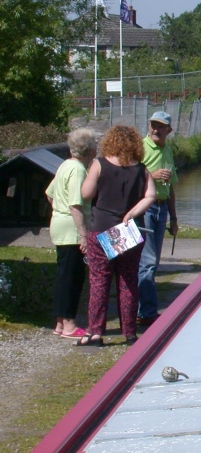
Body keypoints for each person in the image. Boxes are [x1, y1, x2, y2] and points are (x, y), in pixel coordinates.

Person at [79, 125, 156, 346]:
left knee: (100, 280)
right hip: (128, 230)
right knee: (128, 281)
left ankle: (95, 332)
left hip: (102, 228)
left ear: (109, 142)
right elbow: (150, 195)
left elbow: (86, 194)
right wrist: (132, 212)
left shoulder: (99, 164)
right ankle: (130, 332)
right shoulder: (141, 169)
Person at [45, 128, 97, 339]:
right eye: (95, 144)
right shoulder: (78, 169)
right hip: (72, 228)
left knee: (63, 274)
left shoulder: (64, 165)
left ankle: (60, 321)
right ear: (89, 149)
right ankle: (69, 324)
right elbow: (76, 204)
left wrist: (59, 208)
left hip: (59, 223)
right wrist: (83, 235)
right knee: (73, 277)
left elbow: (49, 194)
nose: (97, 148)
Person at [138, 111, 179, 326]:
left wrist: (173, 217)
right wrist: (151, 175)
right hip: (146, 208)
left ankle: (142, 308)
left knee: (153, 261)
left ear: (168, 131)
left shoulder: (168, 151)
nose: (155, 129)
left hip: (161, 209)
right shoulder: (141, 148)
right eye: (153, 125)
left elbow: (171, 186)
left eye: (160, 126)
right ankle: (148, 312)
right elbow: (131, 176)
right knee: (148, 261)